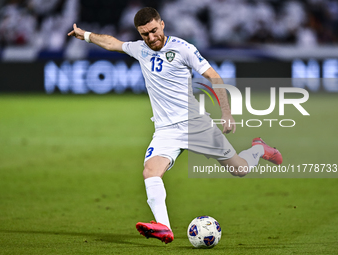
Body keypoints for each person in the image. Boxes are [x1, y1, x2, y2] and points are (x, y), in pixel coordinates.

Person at [68, 7, 282, 244]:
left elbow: (214, 77)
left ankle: (259, 149)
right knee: (150, 171)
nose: (150, 38)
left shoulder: (183, 48)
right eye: (144, 34)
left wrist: (226, 112)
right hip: (165, 131)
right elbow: (112, 43)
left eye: (153, 31)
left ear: (162, 24)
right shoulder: (140, 49)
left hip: (195, 126)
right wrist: (86, 35)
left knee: (240, 169)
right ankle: (164, 227)